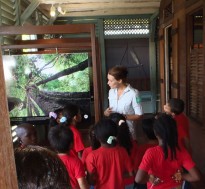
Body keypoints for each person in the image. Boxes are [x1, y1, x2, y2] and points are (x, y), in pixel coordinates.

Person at [135, 114, 201, 189]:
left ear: (155, 133)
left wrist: (149, 178)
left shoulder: (150, 153)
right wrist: (182, 175)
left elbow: (138, 179)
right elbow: (196, 176)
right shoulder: (181, 151)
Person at [85, 119, 133, 189]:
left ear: (97, 137)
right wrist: (117, 176)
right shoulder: (122, 151)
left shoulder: (92, 156)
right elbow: (131, 173)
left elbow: (90, 180)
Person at [104, 65, 143, 140]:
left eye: (111, 80)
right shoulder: (111, 91)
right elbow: (109, 112)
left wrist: (123, 117)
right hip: (112, 130)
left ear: (119, 80)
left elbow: (139, 115)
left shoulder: (134, 93)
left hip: (127, 130)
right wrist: (106, 112)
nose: (108, 83)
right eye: (108, 80)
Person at [109, 112, 138, 189]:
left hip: (112, 183)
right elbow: (134, 170)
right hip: (129, 182)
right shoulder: (133, 144)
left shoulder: (109, 146)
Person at [134, 117, 158, 189]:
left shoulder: (141, 149)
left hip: (145, 182)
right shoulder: (164, 148)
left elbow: (136, 170)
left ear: (144, 134)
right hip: (163, 181)